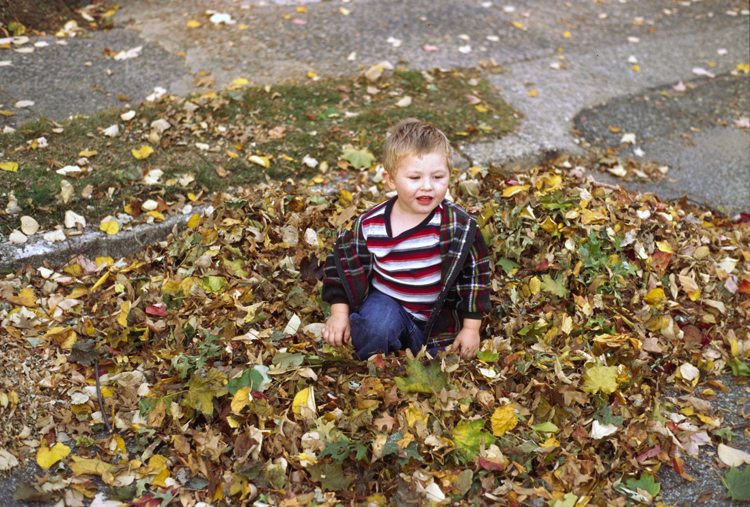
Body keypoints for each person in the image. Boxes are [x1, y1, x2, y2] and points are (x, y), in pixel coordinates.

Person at [321, 118, 492, 360]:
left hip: (439, 320)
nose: (426, 187)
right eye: (414, 178)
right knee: (373, 327)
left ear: (449, 175)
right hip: (389, 309)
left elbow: (475, 277)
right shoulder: (371, 225)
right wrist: (338, 314)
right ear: (390, 179)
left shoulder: (458, 227)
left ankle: (422, 355)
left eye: (437, 177)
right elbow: (343, 267)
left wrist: (471, 328)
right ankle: (376, 361)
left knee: (445, 360)